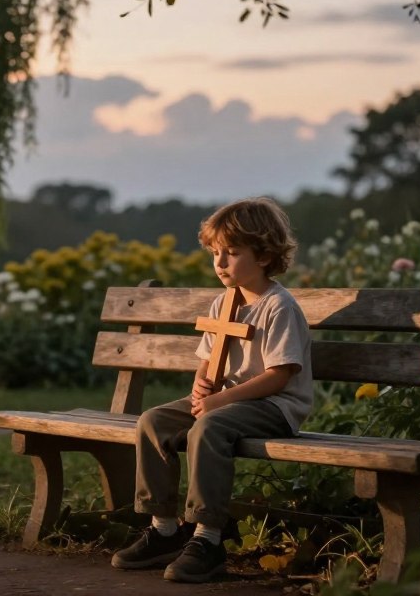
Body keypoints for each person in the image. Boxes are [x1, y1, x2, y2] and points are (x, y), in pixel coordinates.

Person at [111, 196, 313, 583]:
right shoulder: (224, 303)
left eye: (232, 253)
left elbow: (280, 375)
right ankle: (164, 529)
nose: (220, 263)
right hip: (226, 401)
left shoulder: (279, 307)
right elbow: (209, 356)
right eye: (215, 253)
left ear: (266, 255)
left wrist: (220, 399)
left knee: (208, 427)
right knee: (154, 422)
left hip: (273, 407)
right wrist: (201, 386)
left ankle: (208, 538)